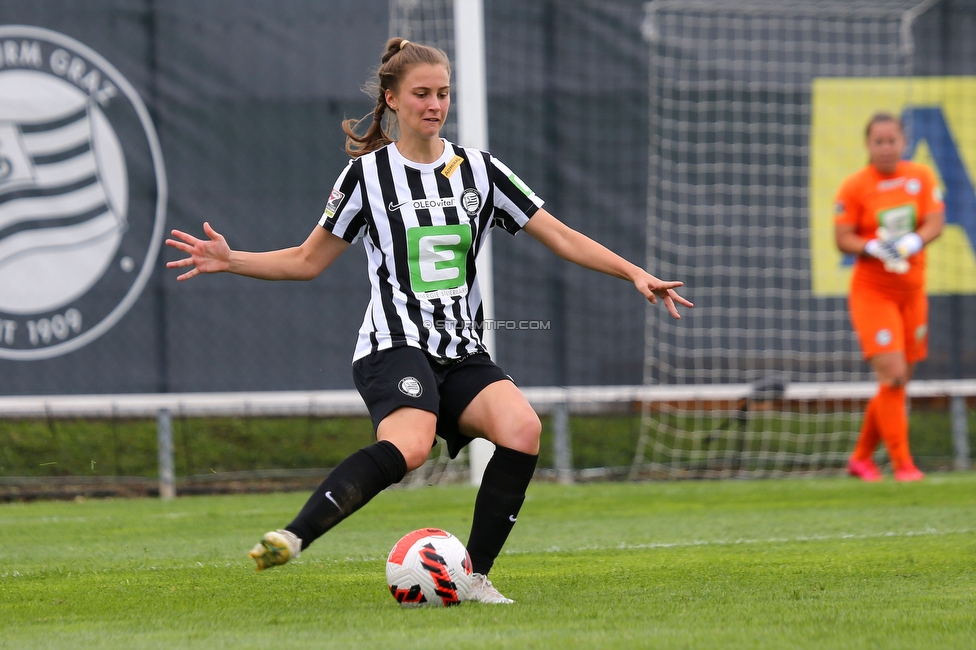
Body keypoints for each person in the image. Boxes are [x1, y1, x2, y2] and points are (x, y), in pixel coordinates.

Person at [166, 37, 692, 603]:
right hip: (392, 345)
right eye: (421, 93)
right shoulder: (365, 177)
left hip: (460, 349)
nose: (435, 104)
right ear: (391, 99)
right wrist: (232, 259)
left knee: (523, 429)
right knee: (411, 445)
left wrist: (634, 271)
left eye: (443, 93)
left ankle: (473, 579)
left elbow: (560, 235)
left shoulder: (481, 171)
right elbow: (306, 261)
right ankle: (293, 537)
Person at [834, 111, 944, 482]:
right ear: (868, 144)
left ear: (903, 141)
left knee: (898, 380)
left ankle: (861, 458)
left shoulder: (920, 177)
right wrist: (873, 247)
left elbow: (935, 221)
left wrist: (912, 241)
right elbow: (842, 237)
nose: (885, 147)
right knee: (894, 374)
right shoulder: (854, 186)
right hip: (873, 293)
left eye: (891, 140)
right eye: (878, 141)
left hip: (912, 293)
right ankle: (904, 465)